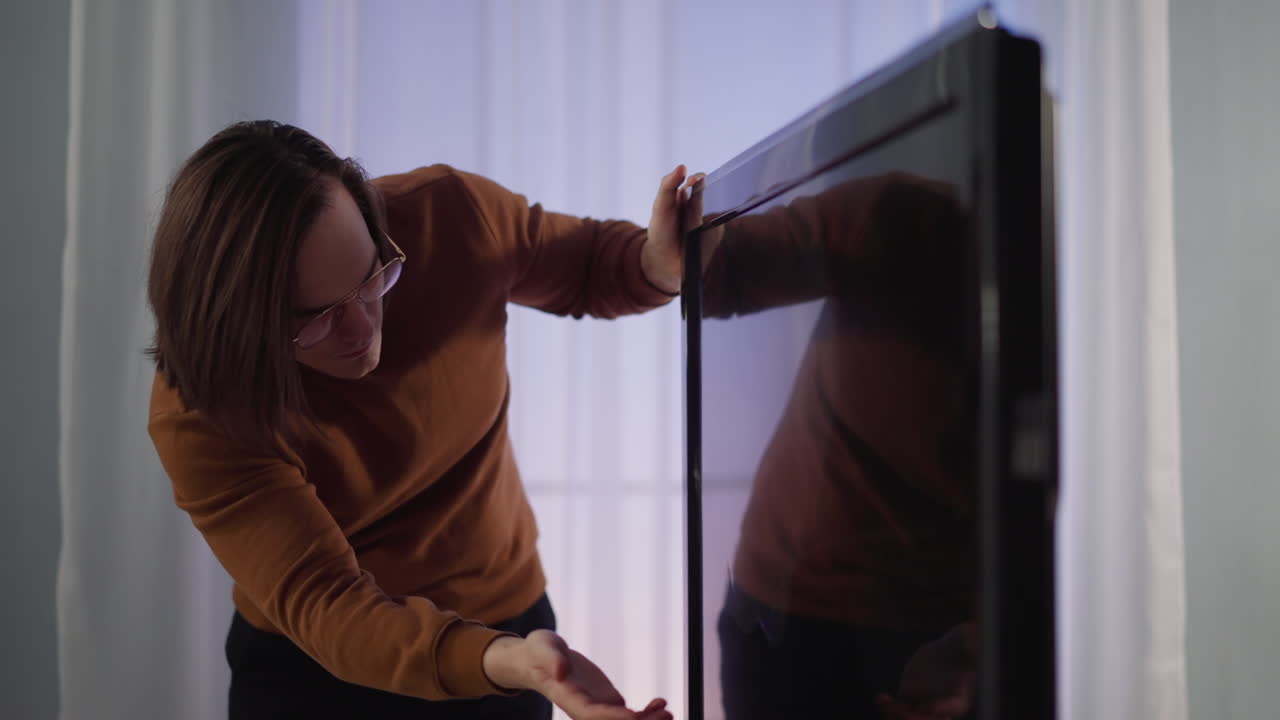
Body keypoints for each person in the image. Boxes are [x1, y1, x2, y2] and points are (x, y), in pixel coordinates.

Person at [145, 119, 690, 720]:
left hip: (507, 630)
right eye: (314, 318)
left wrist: (656, 265)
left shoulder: (446, 218)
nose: (362, 330)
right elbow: (330, 606)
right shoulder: (202, 411)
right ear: (239, 323)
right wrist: (507, 661)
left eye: (373, 277)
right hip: (315, 670)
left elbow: (589, 264)